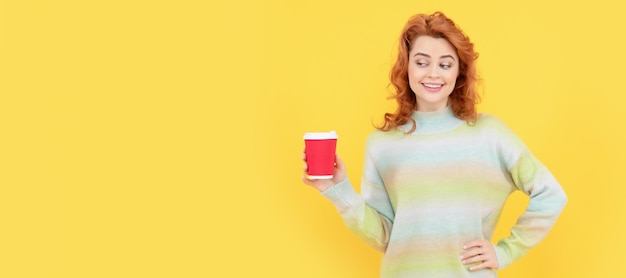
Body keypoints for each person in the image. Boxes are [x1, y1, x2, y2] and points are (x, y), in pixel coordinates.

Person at [301, 11, 567, 277]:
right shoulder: (382, 144)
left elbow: (551, 194)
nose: (433, 74)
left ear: (459, 72)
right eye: (422, 62)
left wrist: (505, 252)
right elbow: (385, 237)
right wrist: (338, 190)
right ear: (407, 67)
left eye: (445, 64)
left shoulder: (490, 134)